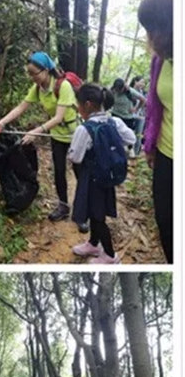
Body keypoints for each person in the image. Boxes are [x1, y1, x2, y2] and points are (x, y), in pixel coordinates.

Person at [0, 51, 83, 228]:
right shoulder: (38, 88)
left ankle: (84, 213)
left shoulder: (63, 86)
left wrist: (35, 132)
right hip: (56, 135)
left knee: (80, 172)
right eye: (29, 73)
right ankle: (63, 206)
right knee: (59, 171)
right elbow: (21, 107)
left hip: (73, 134)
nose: (32, 77)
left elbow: (58, 117)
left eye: (34, 73)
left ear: (46, 70)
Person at [67, 83, 136, 264]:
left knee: (97, 217)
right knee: (96, 211)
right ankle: (93, 243)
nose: (78, 108)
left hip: (92, 179)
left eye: (79, 105)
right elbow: (131, 138)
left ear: (88, 104)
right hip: (108, 177)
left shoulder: (84, 129)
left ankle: (111, 256)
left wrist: (75, 145)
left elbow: (75, 157)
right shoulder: (114, 121)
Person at [138, 0, 173, 263]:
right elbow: (153, 103)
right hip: (166, 154)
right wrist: (150, 145)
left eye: (153, 29)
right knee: (166, 222)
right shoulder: (160, 62)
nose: (149, 38)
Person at [110, 78, 145, 157]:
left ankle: (129, 155)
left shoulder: (130, 91)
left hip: (127, 118)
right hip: (115, 115)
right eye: (117, 90)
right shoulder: (112, 91)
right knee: (114, 136)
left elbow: (143, 99)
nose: (118, 91)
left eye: (120, 90)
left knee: (126, 137)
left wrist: (136, 109)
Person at [130, 75, 147, 156]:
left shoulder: (143, 93)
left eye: (144, 83)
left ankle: (136, 154)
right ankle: (128, 153)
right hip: (129, 116)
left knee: (138, 136)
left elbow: (146, 103)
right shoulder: (129, 91)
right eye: (141, 82)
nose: (143, 84)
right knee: (129, 134)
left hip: (140, 117)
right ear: (135, 82)